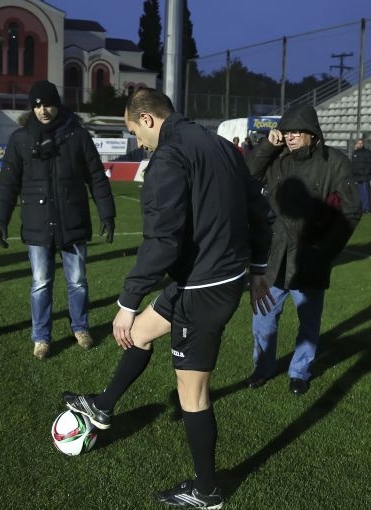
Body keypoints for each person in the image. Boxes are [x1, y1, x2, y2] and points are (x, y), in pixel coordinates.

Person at [62, 88, 273, 509]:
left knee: (191, 393)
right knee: (139, 334)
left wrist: (126, 301)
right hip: (207, 278)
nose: (138, 142)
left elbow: (162, 241)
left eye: (134, 131)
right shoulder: (221, 146)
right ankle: (102, 407)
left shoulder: (168, 159)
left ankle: (207, 490)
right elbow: (260, 213)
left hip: (203, 290)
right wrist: (258, 269)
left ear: (149, 119)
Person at [0, 80, 116, 359]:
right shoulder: (20, 139)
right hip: (37, 224)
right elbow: (8, 183)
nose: (42, 110)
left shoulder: (78, 136)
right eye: (36, 105)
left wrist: (107, 213)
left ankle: (81, 328)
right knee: (40, 283)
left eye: (47, 104)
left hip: (73, 221)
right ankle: (41, 337)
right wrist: (1, 219)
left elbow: (96, 177)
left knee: (78, 281)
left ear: (57, 104)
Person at [246, 104, 362, 395]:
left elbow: (352, 211)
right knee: (263, 322)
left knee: (309, 324)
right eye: (287, 131)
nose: (291, 137)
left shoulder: (335, 162)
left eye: (298, 131)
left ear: (313, 133)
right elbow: (247, 177)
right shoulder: (278, 158)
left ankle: (300, 372)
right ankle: (262, 368)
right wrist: (267, 145)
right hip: (273, 257)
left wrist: (326, 249)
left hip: (311, 257)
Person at [351, 138, 371, 214]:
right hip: (356, 177)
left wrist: (365, 172)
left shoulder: (367, 152)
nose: (360, 144)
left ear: (363, 144)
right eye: (358, 143)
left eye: (361, 143)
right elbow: (353, 165)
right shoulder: (354, 153)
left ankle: (366, 209)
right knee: (358, 194)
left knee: (365, 194)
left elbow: (370, 164)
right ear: (356, 144)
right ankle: (360, 209)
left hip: (364, 177)